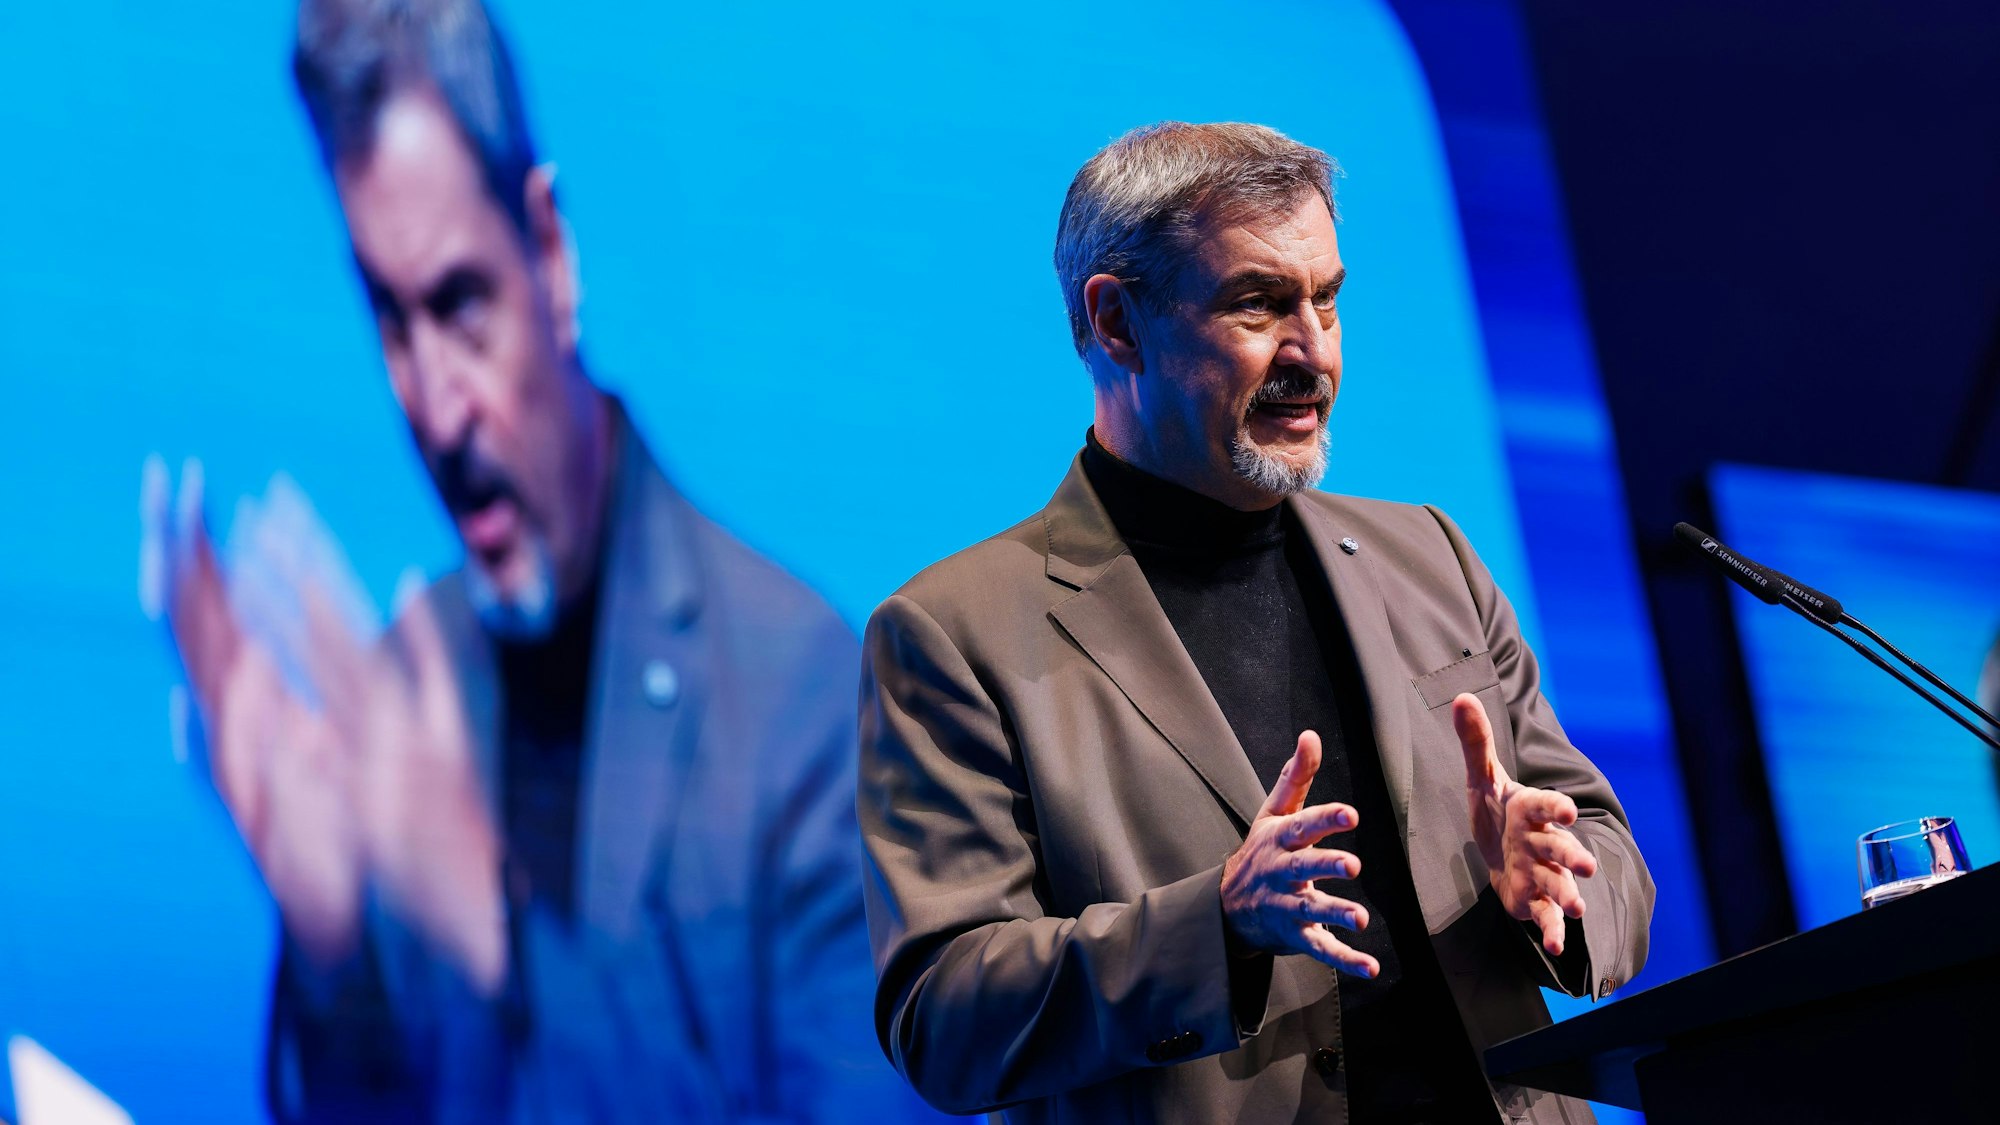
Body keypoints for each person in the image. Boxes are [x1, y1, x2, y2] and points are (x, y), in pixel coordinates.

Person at [146, 0, 942, 1120]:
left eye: (461, 307)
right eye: (390, 320)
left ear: (552, 256)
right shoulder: (408, 676)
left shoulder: (816, 715)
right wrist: (335, 966)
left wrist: (493, 939)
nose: (435, 407)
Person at [857, 122, 1655, 1123]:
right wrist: (1216, 929)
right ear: (1115, 324)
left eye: (1325, 300)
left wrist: (1549, 892)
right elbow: (946, 1019)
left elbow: (1604, 860)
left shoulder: (1428, 557)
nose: (1310, 351)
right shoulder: (953, 634)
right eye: (1257, 303)